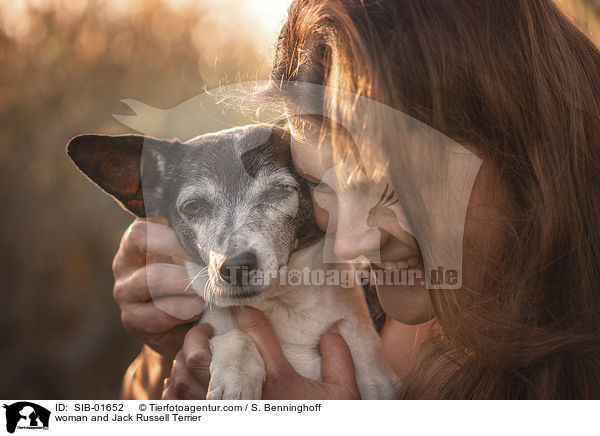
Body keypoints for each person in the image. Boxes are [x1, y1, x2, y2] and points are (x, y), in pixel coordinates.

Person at [116, 0, 600, 400]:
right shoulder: (358, 292)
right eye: (320, 185)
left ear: (536, 159)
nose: (348, 244)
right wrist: (172, 351)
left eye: (398, 184)